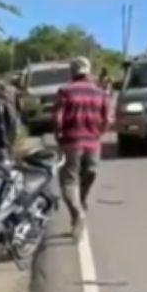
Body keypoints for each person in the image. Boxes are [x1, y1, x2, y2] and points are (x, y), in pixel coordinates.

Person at [53, 56, 112, 237]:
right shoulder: (100, 93)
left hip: (71, 141)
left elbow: (58, 117)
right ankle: (82, 202)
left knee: (69, 180)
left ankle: (77, 211)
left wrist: (59, 135)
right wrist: (99, 133)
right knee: (90, 172)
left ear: (72, 71)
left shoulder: (65, 91)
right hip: (92, 141)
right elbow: (108, 119)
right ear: (89, 71)